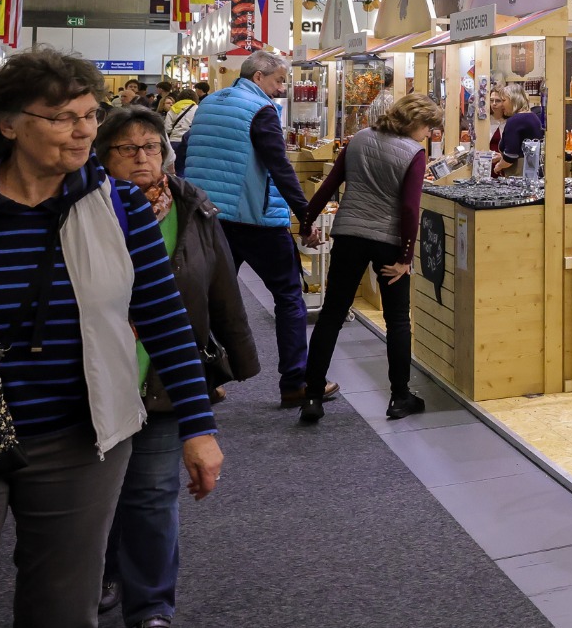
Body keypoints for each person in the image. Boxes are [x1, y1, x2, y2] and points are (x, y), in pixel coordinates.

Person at [0, 48, 223, 628]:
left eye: (90, 115)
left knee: (62, 621)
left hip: (80, 437)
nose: (84, 130)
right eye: (62, 117)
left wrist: (198, 428)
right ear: (8, 124)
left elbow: (166, 320)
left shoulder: (118, 206)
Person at [94, 106, 258, 628]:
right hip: (99, 380)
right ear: (104, 157)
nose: (142, 157)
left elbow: (221, 285)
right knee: (99, 495)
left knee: (153, 496)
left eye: (151, 147)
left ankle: (152, 607)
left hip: (166, 378)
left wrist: (233, 362)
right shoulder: (86, 210)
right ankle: (103, 574)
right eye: (127, 148)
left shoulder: (192, 206)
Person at [182, 52, 328, 407]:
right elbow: (279, 167)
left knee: (206, 299)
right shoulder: (261, 110)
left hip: (208, 217)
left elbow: (189, 153)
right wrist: (306, 217)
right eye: (278, 81)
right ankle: (295, 382)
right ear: (259, 76)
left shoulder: (209, 103)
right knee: (289, 297)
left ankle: (202, 382)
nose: (281, 89)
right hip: (256, 220)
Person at [297, 94, 445, 424]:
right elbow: (410, 209)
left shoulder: (360, 139)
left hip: (349, 235)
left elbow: (329, 186)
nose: (428, 134)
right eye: (428, 127)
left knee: (332, 315)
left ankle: (312, 396)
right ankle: (399, 397)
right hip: (389, 243)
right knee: (398, 321)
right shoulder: (413, 153)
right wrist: (406, 257)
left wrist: (306, 225)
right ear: (415, 122)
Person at [489, 84, 543, 178]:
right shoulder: (533, 117)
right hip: (533, 171)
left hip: (518, 175)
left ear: (513, 100)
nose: (502, 105)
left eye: (504, 100)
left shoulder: (515, 121)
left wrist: (498, 166)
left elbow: (510, 156)